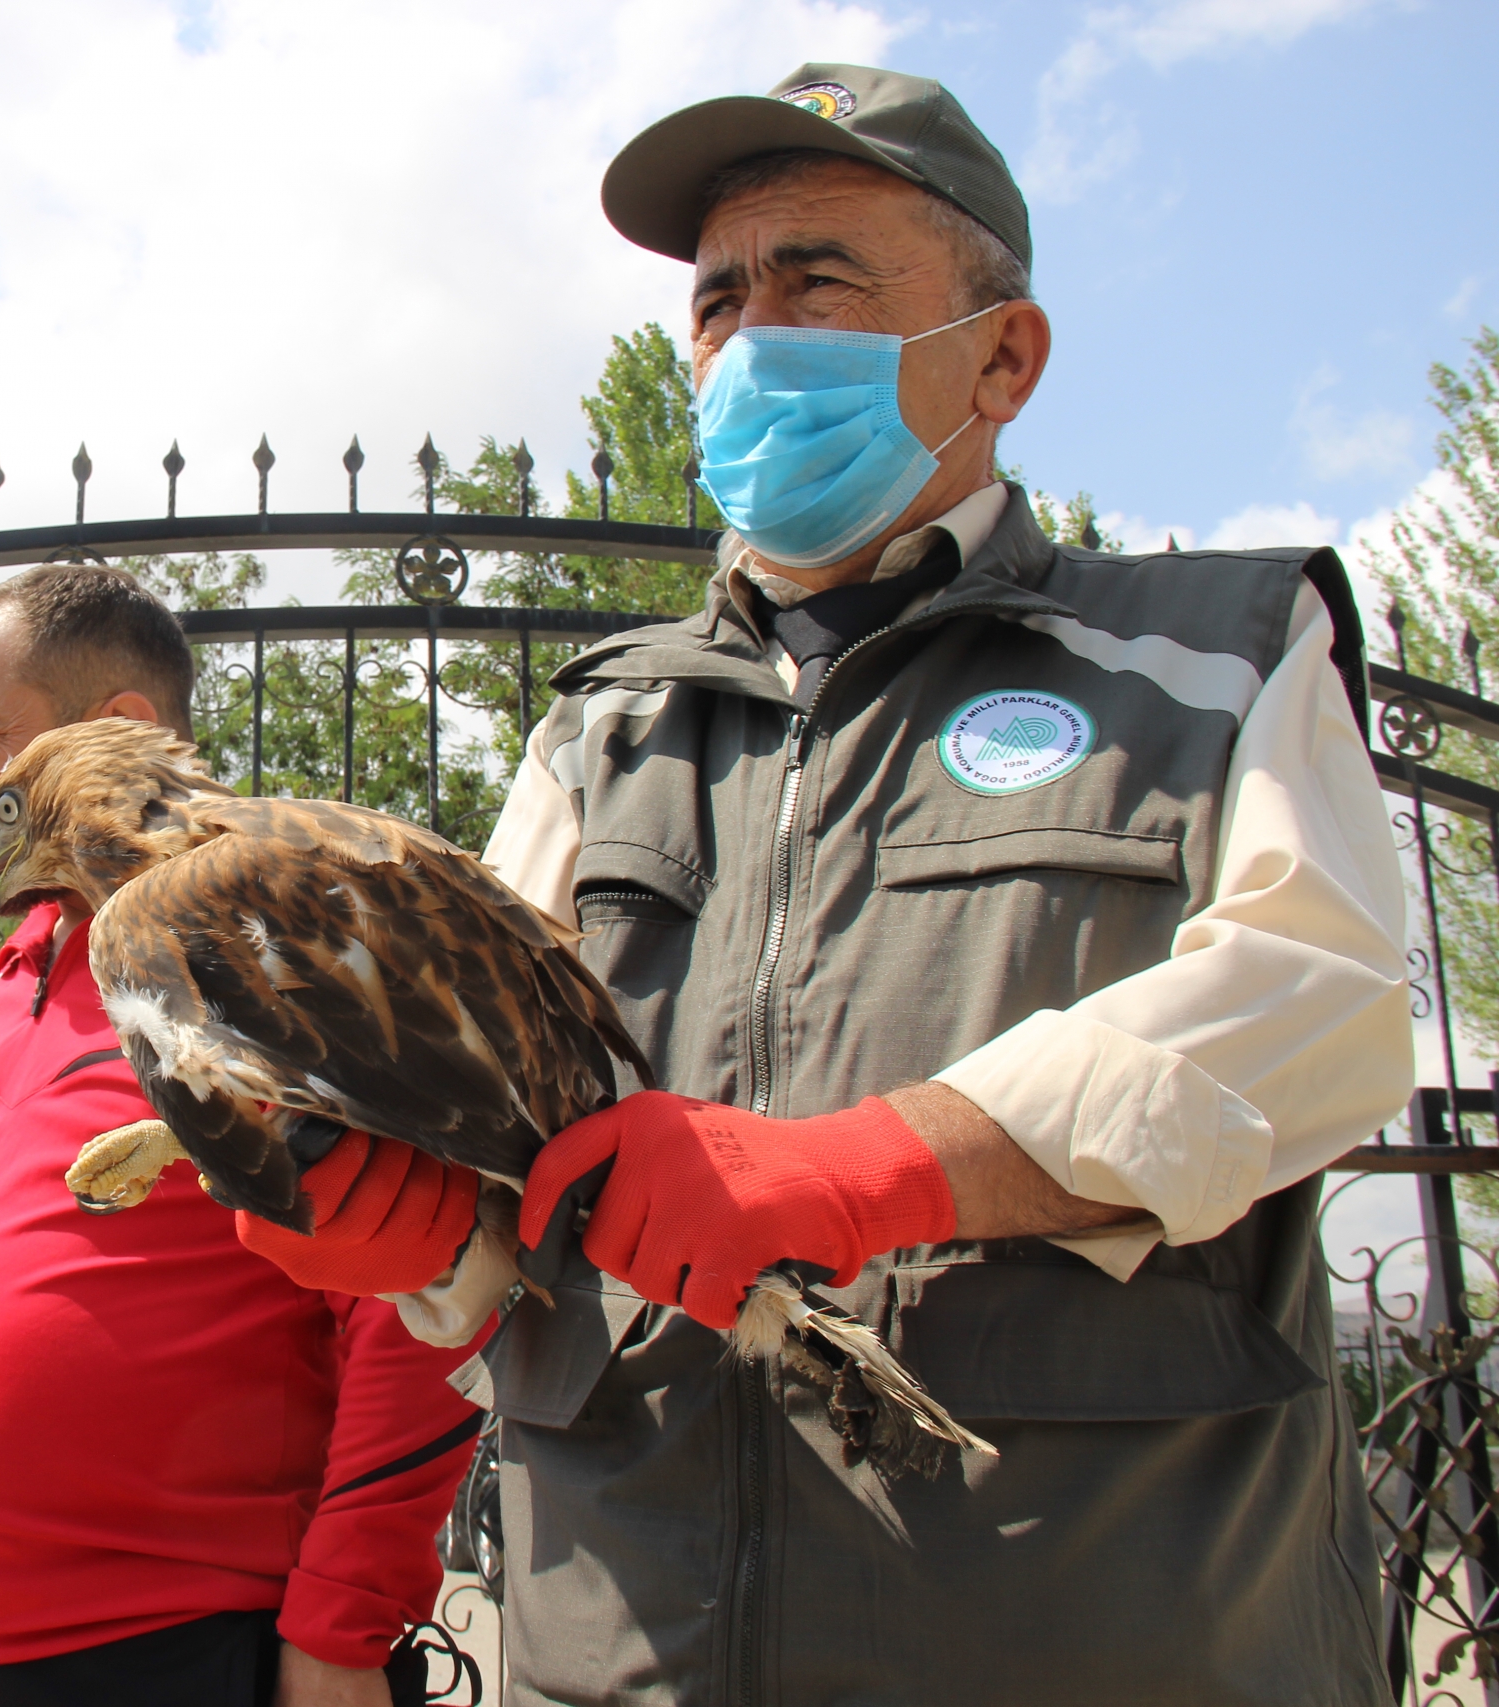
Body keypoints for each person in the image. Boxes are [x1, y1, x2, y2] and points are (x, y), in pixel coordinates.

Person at [240, 63, 1412, 1705]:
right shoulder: (602, 727)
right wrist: (403, 1229)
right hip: (628, 1652)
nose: (749, 338)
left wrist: (875, 1166)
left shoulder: (1213, 654)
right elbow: (497, 1157)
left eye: (818, 281)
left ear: (1003, 356)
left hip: (1111, 1651)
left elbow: (1320, 1008)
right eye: (719, 300)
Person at [0, 564, 489, 1707]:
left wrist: (339, 1630)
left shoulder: (270, 941)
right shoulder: (4, 981)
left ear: (116, 726)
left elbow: (417, 1305)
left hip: (168, 1652)